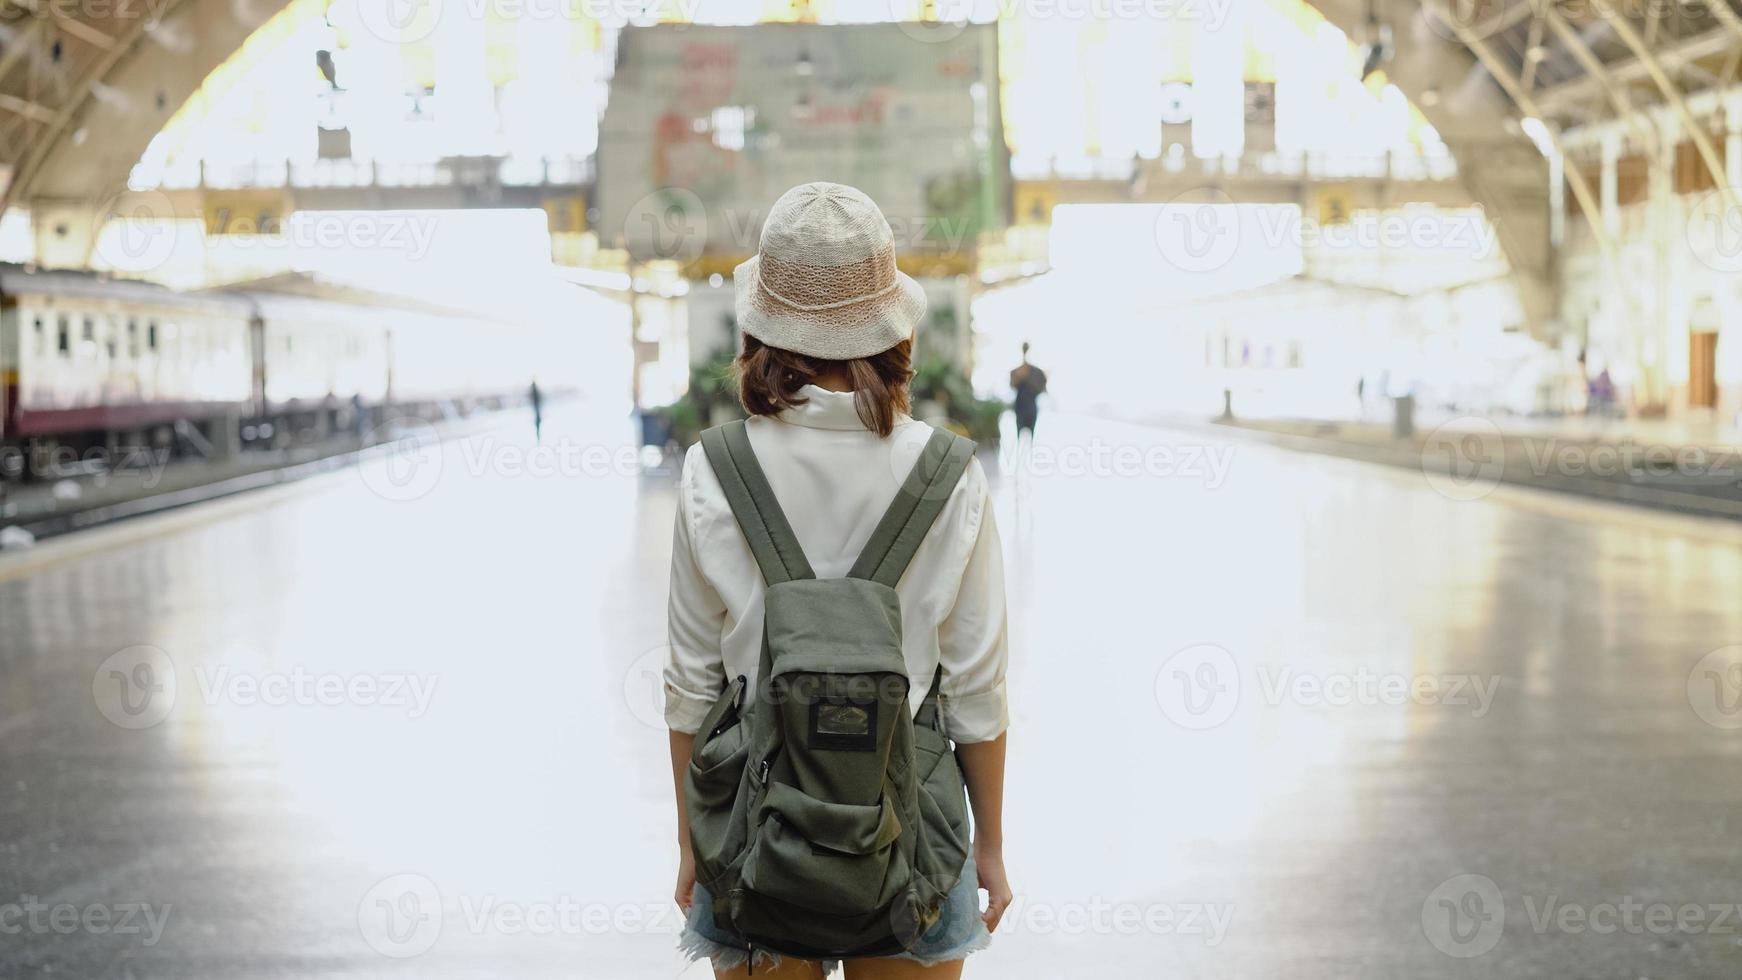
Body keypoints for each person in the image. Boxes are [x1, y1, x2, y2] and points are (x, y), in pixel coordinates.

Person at [664, 182, 1012, 980]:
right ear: (893, 329)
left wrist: (689, 845)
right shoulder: (950, 475)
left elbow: (689, 685)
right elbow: (977, 690)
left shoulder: (712, 472)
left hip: (753, 829)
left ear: (762, 328)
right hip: (914, 834)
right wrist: (989, 848)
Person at [1008, 343, 1047, 440]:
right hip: (1020, 406)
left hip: (1031, 406)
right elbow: (1012, 385)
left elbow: (1043, 387)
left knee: (1031, 434)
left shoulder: (1037, 371)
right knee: (1019, 434)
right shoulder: (1016, 371)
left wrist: (1033, 387)